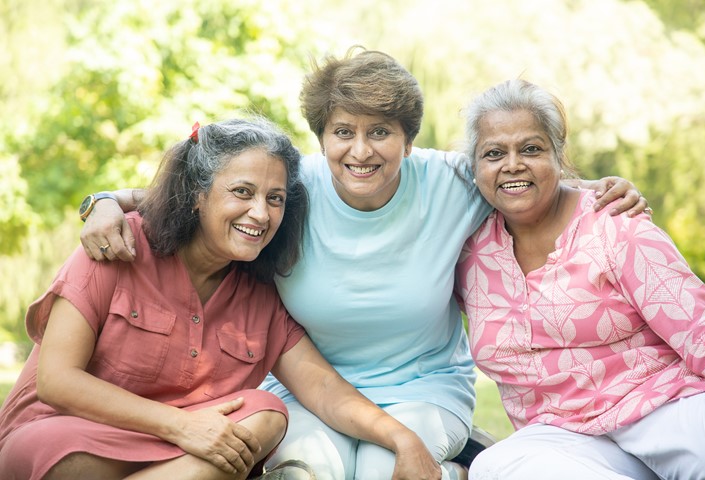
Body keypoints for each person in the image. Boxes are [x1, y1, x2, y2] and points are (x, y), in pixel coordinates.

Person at [78, 49, 649, 479]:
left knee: (382, 467)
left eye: (381, 132)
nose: (361, 150)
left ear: (408, 139)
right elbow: (186, 193)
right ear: (320, 135)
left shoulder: (451, 181)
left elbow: (525, 176)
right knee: (310, 468)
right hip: (300, 391)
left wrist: (601, 190)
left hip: (424, 388)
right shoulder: (288, 186)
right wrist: (101, 202)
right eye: (342, 132)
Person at [0, 118, 442, 480]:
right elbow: (56, 382)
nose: (260, 214)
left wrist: (403, 438)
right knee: (69, 464)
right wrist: (182, 426)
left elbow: (324, 390)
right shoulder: (117, 244)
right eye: (242, 192)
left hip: (179, 453)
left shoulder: (261, 294)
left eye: (275, 199)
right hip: (67, 434)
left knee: (267, 414)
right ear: (197, 195)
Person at [457, 79, 705, 479]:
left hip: (663, 405)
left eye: (531, 149)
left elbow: (704, 333)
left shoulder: (615, 225)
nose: (512, 164)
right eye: (494, 153)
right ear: (474, 168)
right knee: (494, 467)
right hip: (561, 437)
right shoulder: (467, 250)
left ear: (558, 156)